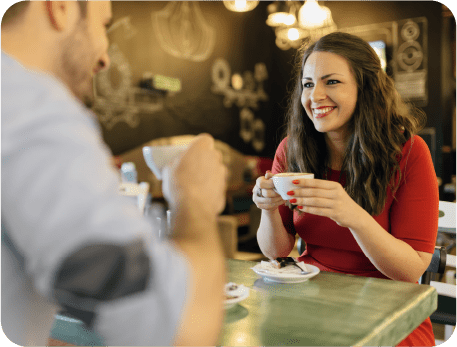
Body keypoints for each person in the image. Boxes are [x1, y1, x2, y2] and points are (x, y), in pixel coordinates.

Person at [1, 1, 227, 346]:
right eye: (102, 26)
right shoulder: (33, 108)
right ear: (59, 7)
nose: (105, 57)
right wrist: (193, 197)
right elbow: (179, 330)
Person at [253, 32, 438, 346]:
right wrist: (269, 208)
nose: (315, 96)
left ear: (365, 88)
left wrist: (354, 216)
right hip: (309, 297)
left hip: (388, 306)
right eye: (308, 84)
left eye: (332, 82)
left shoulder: (409, 152)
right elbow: (276, 252)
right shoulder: (292, 149)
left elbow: (409, 270)